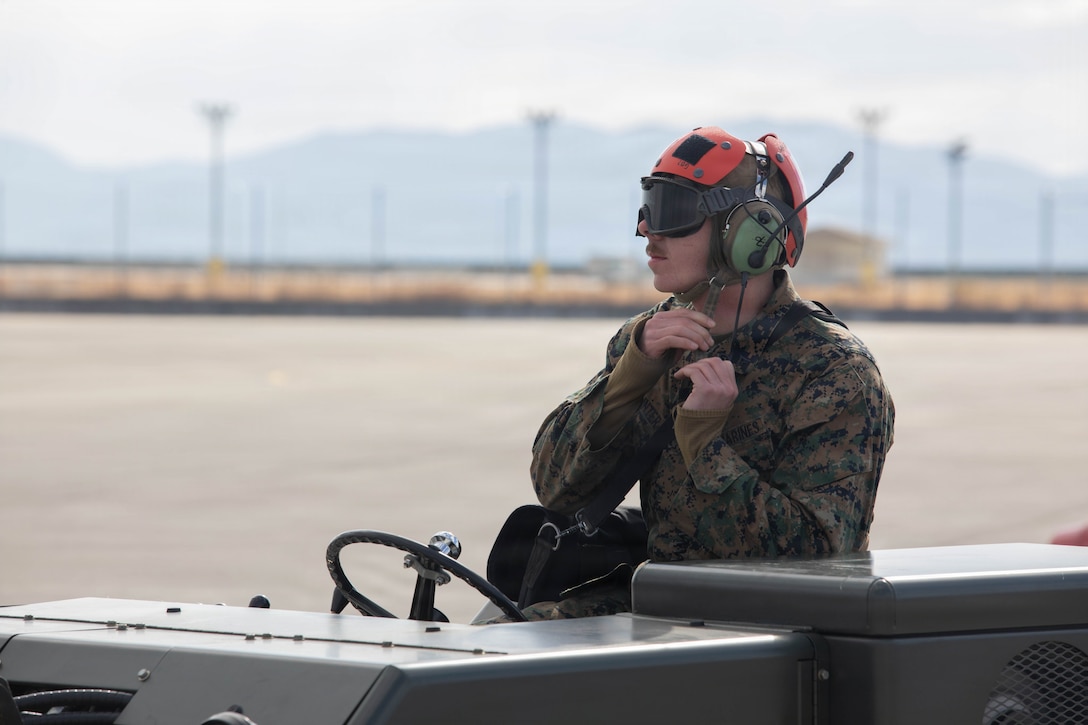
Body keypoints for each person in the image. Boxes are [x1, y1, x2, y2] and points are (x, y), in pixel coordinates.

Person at [523, 125, 895, 619]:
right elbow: (557, 490)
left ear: (749, 235)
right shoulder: (652, 339)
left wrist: (704, 444)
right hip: (662, 600)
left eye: (672, 215)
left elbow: (817, 558)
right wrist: (627, 381)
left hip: (769, 629)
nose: (647, 234)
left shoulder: (833, 370)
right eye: (647, 210)